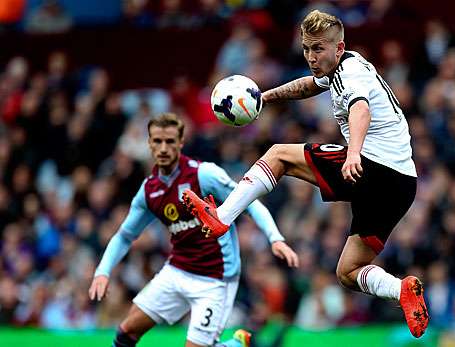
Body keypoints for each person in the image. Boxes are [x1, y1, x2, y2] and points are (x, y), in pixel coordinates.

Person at [183, 10, 429, 338]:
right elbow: (308, 86)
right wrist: (264, 97)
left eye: (318, 49)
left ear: (338, 48)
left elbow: (360, 108)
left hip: (374, 167)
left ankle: (222, 216)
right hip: (401, 185)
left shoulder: (350, 73)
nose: (311, 57)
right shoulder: (342, 66)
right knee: (349, 271)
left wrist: (353, 151)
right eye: (306, 49)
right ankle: (401, 290)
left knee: (278, 155)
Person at [88, 113, 299, 347]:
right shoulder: (149, 191)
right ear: (149, 144)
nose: (164, 148)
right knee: (126, 332)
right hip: (177, 270)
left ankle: (238, 344)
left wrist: (275, 238)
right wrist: (103, 271)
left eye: (170, 141)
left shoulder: (204, 174)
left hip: (215, 279)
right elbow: (125, 235)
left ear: (181, 143)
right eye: (157, 141)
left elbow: (251, 203)